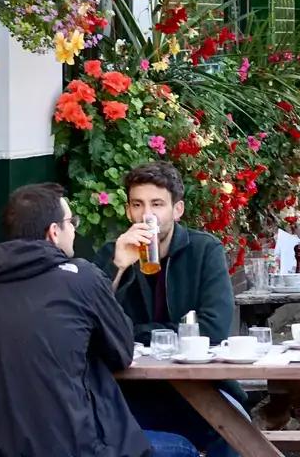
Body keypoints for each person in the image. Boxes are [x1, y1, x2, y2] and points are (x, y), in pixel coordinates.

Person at [0, 183, 198, 457]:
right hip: (66, 446)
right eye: (71, 222)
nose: (74, 228)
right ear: (54, 232)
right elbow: (121, 351)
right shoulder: (81, 276)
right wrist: (118, 266)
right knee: (183, 449)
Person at [95, 162, 246, 457]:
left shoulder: (204, 250)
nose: (146, 215)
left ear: (177, 210)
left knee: (233, 435)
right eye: (137, 204)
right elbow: (93, 325)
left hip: (202, 387)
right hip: (133, 393)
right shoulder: (113, 254)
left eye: (157, 204)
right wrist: (118, 266)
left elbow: (214, 328)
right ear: (128, 211)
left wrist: (139, 334)